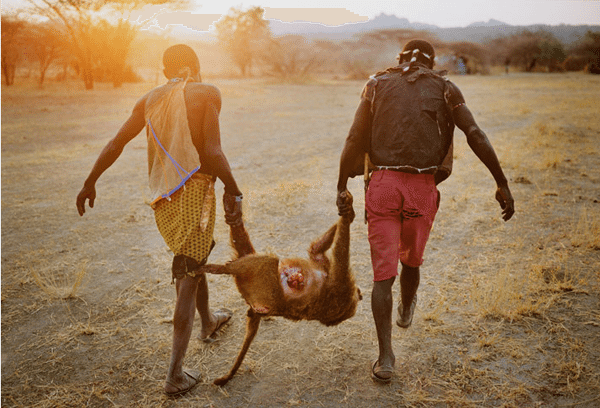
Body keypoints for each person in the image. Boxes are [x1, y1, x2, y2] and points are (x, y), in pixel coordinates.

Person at [336, 39, 514, 383]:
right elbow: (474, 132)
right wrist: (501, 181)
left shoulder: (375, 84)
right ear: (431, 64)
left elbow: (354, 138)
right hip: (422, 188)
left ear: (399, 59)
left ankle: (385, 357)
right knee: (411, 260)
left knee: (382, 275)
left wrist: (341, 185)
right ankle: (405, 309)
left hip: (382, 186)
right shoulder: (446, 87)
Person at [76, 44, 244, 397]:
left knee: (193, 261)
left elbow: (117, 142)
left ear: (164, 68)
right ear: (195, 66)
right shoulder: (207, 92)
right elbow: (212, 152)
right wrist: (234, 189)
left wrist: (90, 181)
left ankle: (209, 321)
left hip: (164, 197)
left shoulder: (150, 98)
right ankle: (175, 375)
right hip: (195, 193)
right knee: (188, 270)